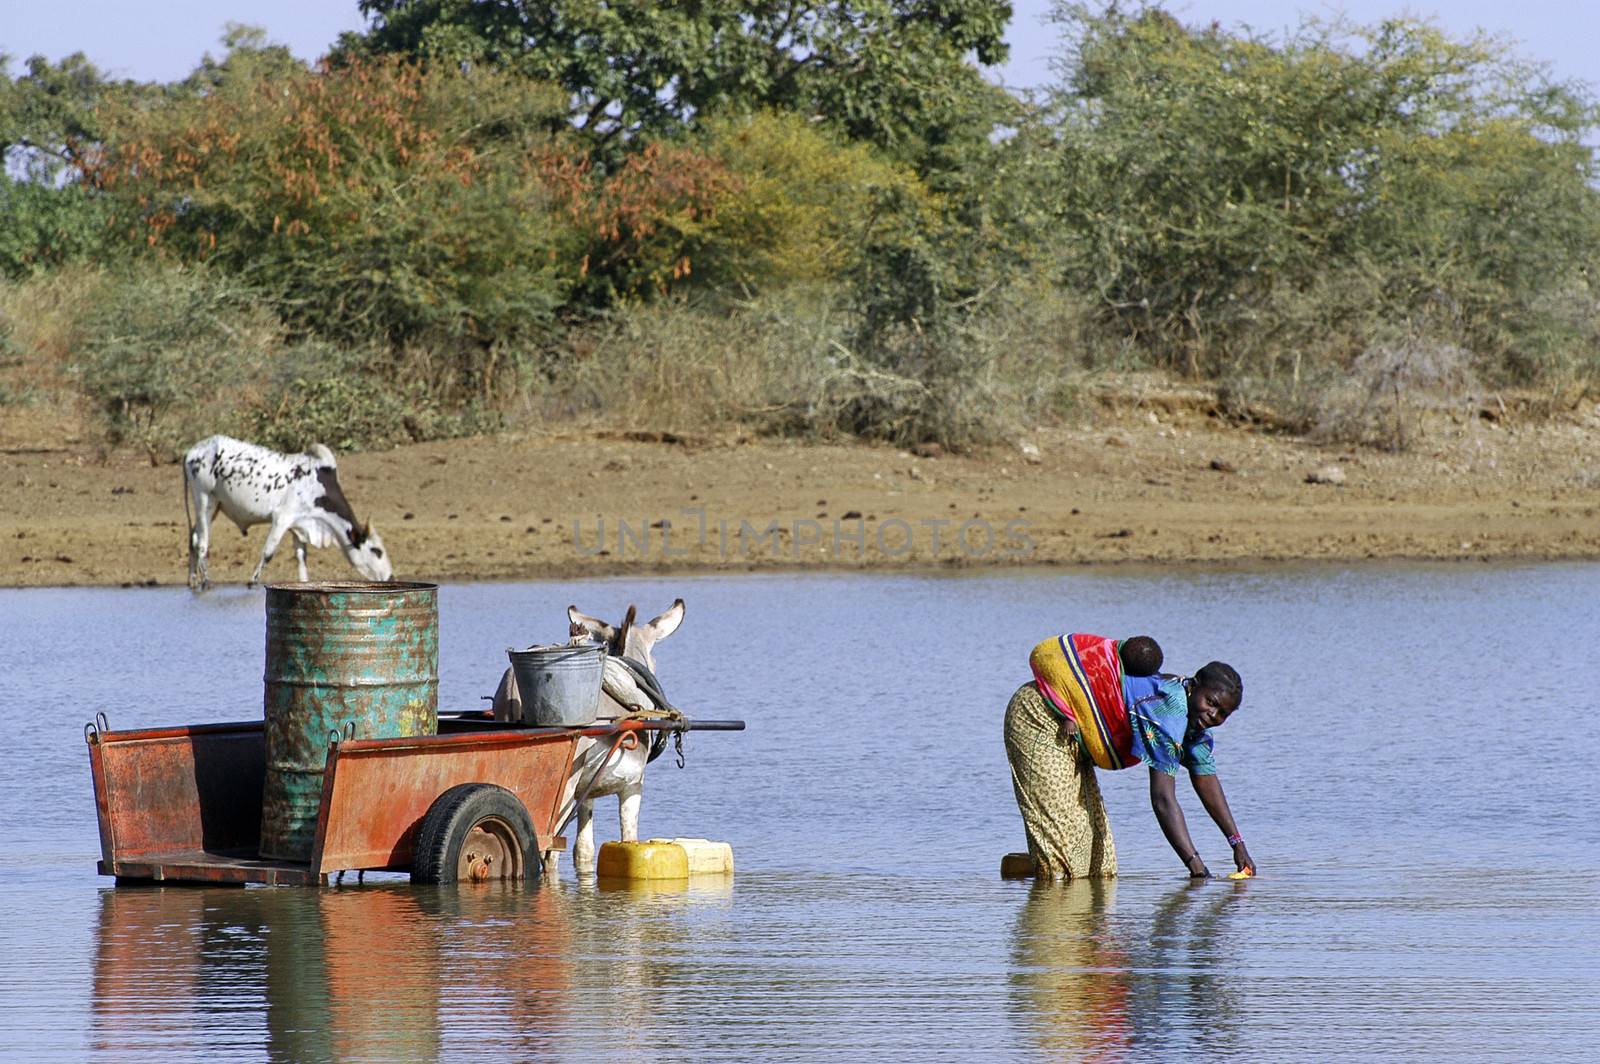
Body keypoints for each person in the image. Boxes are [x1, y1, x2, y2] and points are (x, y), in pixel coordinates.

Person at [1003, 632, 1254, 880]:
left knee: (1101, 867)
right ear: (1194, 684)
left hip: (1076, 741)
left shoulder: (1194, 726)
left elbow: (1206, 780)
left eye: (1223, 714)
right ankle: (1042, 873)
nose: (1213, 715)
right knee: (1064, 871)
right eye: (1211, 702)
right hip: (1041, 718)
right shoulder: (1169, 711)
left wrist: (1237, 844)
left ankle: (1028, 868)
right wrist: (1197, 868)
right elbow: (1163, 799)